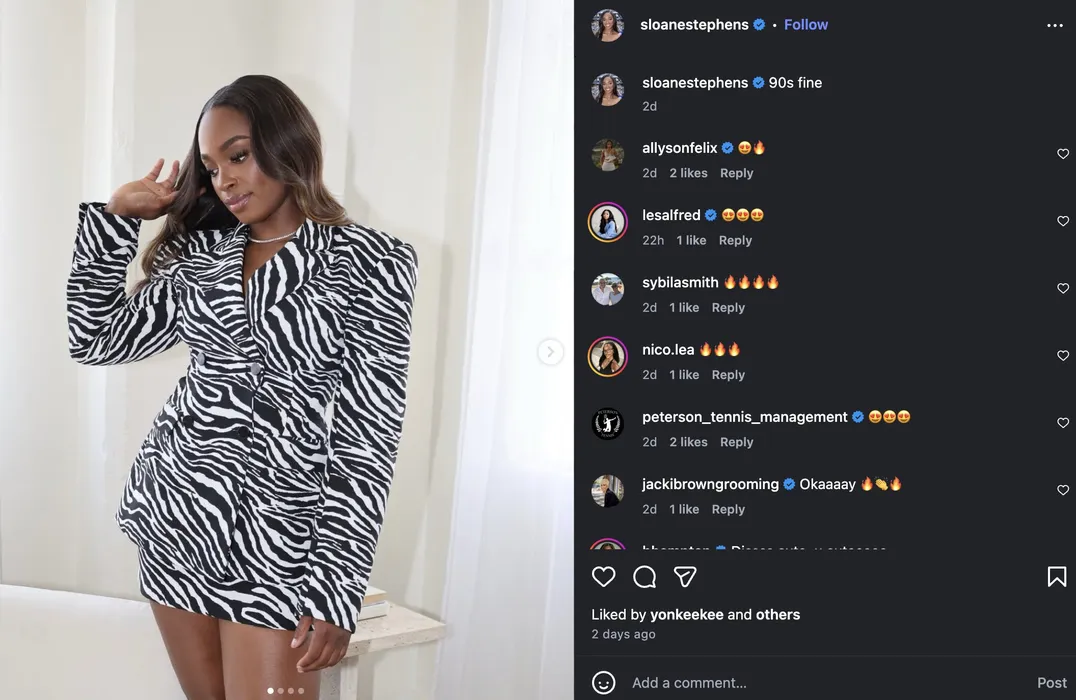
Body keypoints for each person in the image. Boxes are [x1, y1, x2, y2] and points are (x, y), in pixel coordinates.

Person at [65, 75, 419, 699]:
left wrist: (336, 587)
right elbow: (96, 340)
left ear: (289, 145)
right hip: (177, 516)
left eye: (239, 155)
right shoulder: (202, 259)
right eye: (211, 166)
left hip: (283, 541)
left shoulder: (373, 261)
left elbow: (368, 434)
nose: (224, 179)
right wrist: (117, 220)